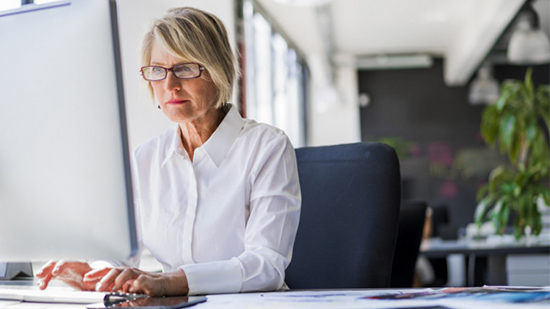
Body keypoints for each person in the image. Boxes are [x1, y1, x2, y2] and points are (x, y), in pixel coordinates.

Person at [36, 7, 301, 297]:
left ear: (218, 70)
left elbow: (266, 266)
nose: (170, 85)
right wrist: (96, 271)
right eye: (158, 71)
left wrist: (169, 281)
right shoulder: (146, 158)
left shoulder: (267, 147)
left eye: (185, 69)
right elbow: (121, 254)